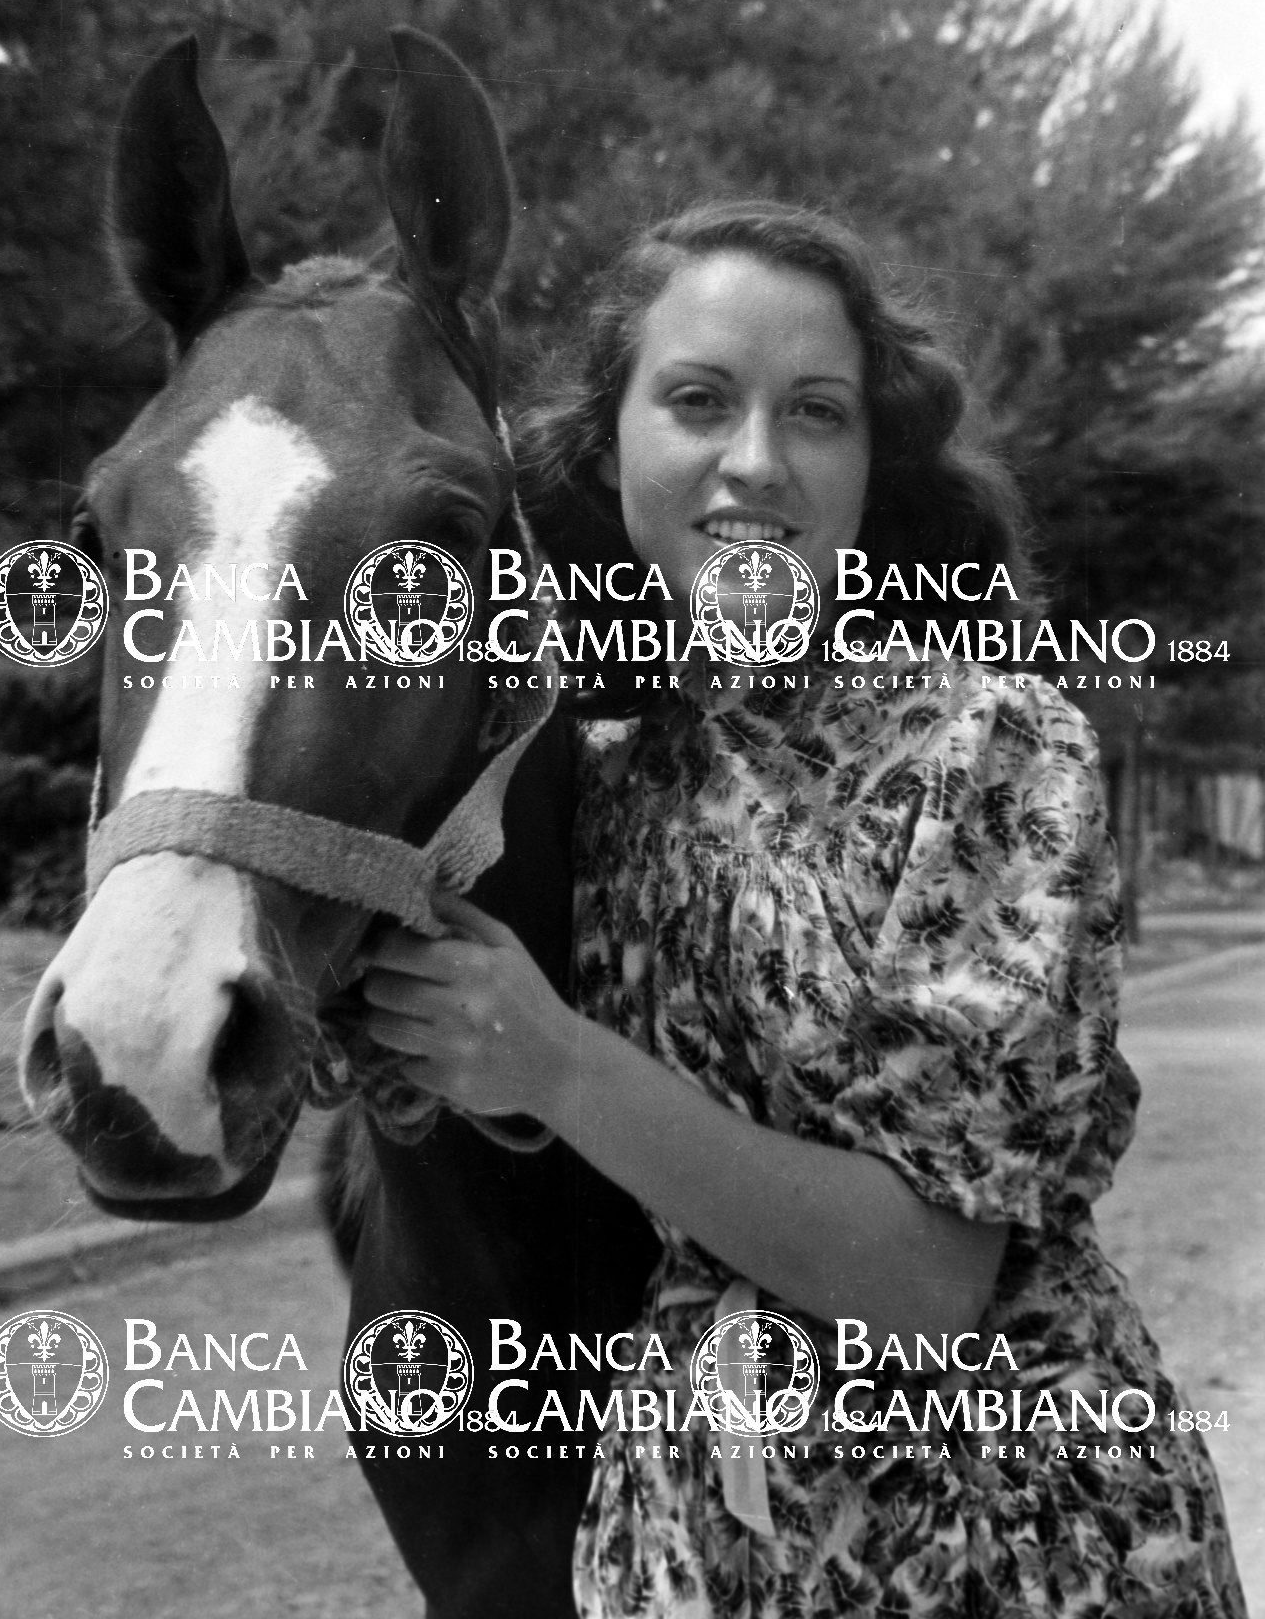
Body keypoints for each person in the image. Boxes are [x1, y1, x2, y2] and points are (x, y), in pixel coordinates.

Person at [361, 202, 1245, 1617]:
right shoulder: (596, 773)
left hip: (1003, 1545)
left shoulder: (988, 750)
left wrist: (555, 1064)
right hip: (683, 1547)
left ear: (871, 462)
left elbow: (927, 1283)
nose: (757, 461)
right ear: (608, 448)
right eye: (699, 401)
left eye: (817, 413)